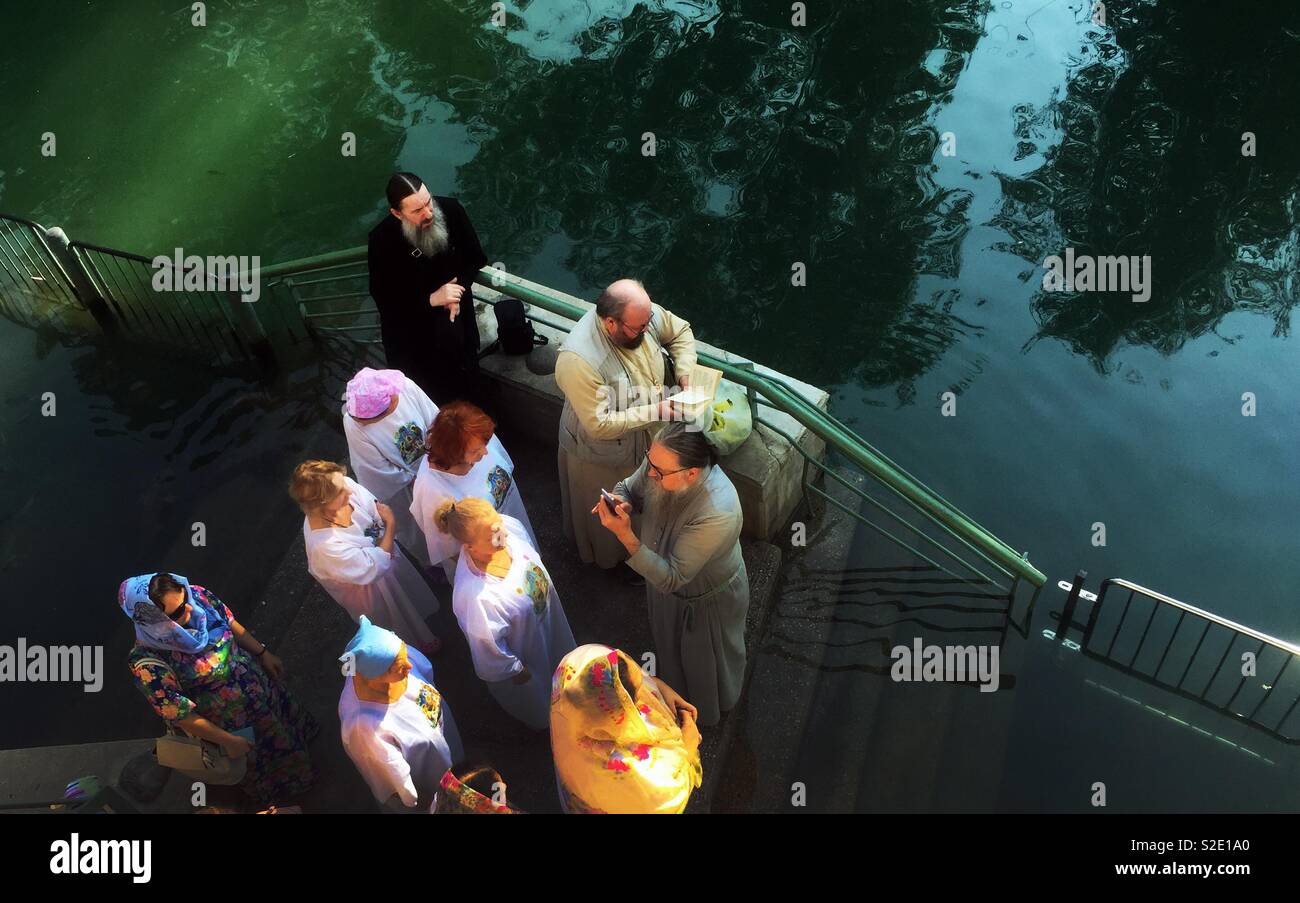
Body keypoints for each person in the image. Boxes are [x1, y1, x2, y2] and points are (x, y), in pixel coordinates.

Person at [595, 422, 748, 726]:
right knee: (671, 648)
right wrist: (622, 500)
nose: (650, 473)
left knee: (707, 661)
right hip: (662, 580)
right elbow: (629, 486)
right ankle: (675, 690)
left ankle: (709, 711)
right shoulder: (661, 461)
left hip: (704, 601)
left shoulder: (718, 510)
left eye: (659, 472)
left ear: (691, 474)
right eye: (649, 463)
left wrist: (626, 536)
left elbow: (673, 577)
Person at [122, 572, 317, 804]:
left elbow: (229, 622)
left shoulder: (198, 596)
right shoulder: (147, 663)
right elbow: (180, 715)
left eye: (186, 600)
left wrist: (263, 653)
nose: (191, 611)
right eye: (176, 613)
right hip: (235, 726)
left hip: (261, 690)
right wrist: (227, 741)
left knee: (286, 730)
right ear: (151, 621)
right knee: (266, 762)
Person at [555, 278, 697, 574]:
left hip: (644, 433)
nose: (647, 330)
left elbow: (680, 330)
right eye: (639, 328)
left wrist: (685, 372)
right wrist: (656, 410)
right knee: (613, 507)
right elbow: (598, 424)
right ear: (610, 323)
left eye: (648, 323)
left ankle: (642, 553)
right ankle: (614, 562)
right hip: (601, 453)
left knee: (644, 500)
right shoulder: (577, 361)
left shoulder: (640, 314)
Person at [432, 497, 575, 730]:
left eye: (499, 523)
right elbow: (490, 651)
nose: (504, 535)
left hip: (550, 628)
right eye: (492, 535)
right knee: (549, 700)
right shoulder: (475, 597)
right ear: (469, 547)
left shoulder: (508, 529)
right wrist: (521, 673)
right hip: (531, 656)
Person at [291, 460, 441, 656]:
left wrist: (382, 540)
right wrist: (391, 525)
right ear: (322, 504)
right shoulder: (324, 547)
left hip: (386, 563)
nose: (349, 490)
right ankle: (411, 652)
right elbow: (374, 567)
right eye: (340, 492)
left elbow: (375, 510)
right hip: (371, 591)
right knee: (394, 620)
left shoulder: (343, 486)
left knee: (409, 601)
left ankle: (422, 634)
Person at [368, 172, 488, 403]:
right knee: (428, 396)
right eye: (417, 211)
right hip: (412, 333)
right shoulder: (382, 240)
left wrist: (455, 292)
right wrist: (431, 299)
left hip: (455, 318)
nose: (428, 213)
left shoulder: (451, 210)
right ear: (396, 213)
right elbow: (383, 297)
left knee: (467, 380)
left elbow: (475, 258)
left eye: (428, 202)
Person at [550, 644, 702, 814]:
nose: (642, 696)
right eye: (636, 697)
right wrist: (689, 744)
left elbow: (628, 680)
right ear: (615, 715)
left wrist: (662, 688)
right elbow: (663, 796)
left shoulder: (578, 670)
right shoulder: (620, 764)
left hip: (576, 783)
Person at [338, 615, 463, 811]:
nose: (409, 665)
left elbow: (424, 670)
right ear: (375, 676)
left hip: (442, 740)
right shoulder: (364, 726)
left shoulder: (396, 656)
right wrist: (412, 796)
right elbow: (387, 772)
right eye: (399, 666)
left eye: (404, 654)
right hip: (429, 773)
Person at [410, 400, 537, 582]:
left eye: (486, 442)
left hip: (510, 530)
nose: (485, 452)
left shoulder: (477, 439)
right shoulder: (433, 491)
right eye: (476, 450)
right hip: (492, 562)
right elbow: (452, 549)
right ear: (453, 453)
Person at [341, 366, 439, 569]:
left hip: (434, 461)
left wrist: (439, 451)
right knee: (412, 522)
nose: (371, 422)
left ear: (393, 398)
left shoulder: (405, 388)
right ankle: (431, 561)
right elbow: (372, 469)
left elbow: (433, 418)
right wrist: (412, 480)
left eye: (380, 416)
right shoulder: (353, 422)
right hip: (402, 485)